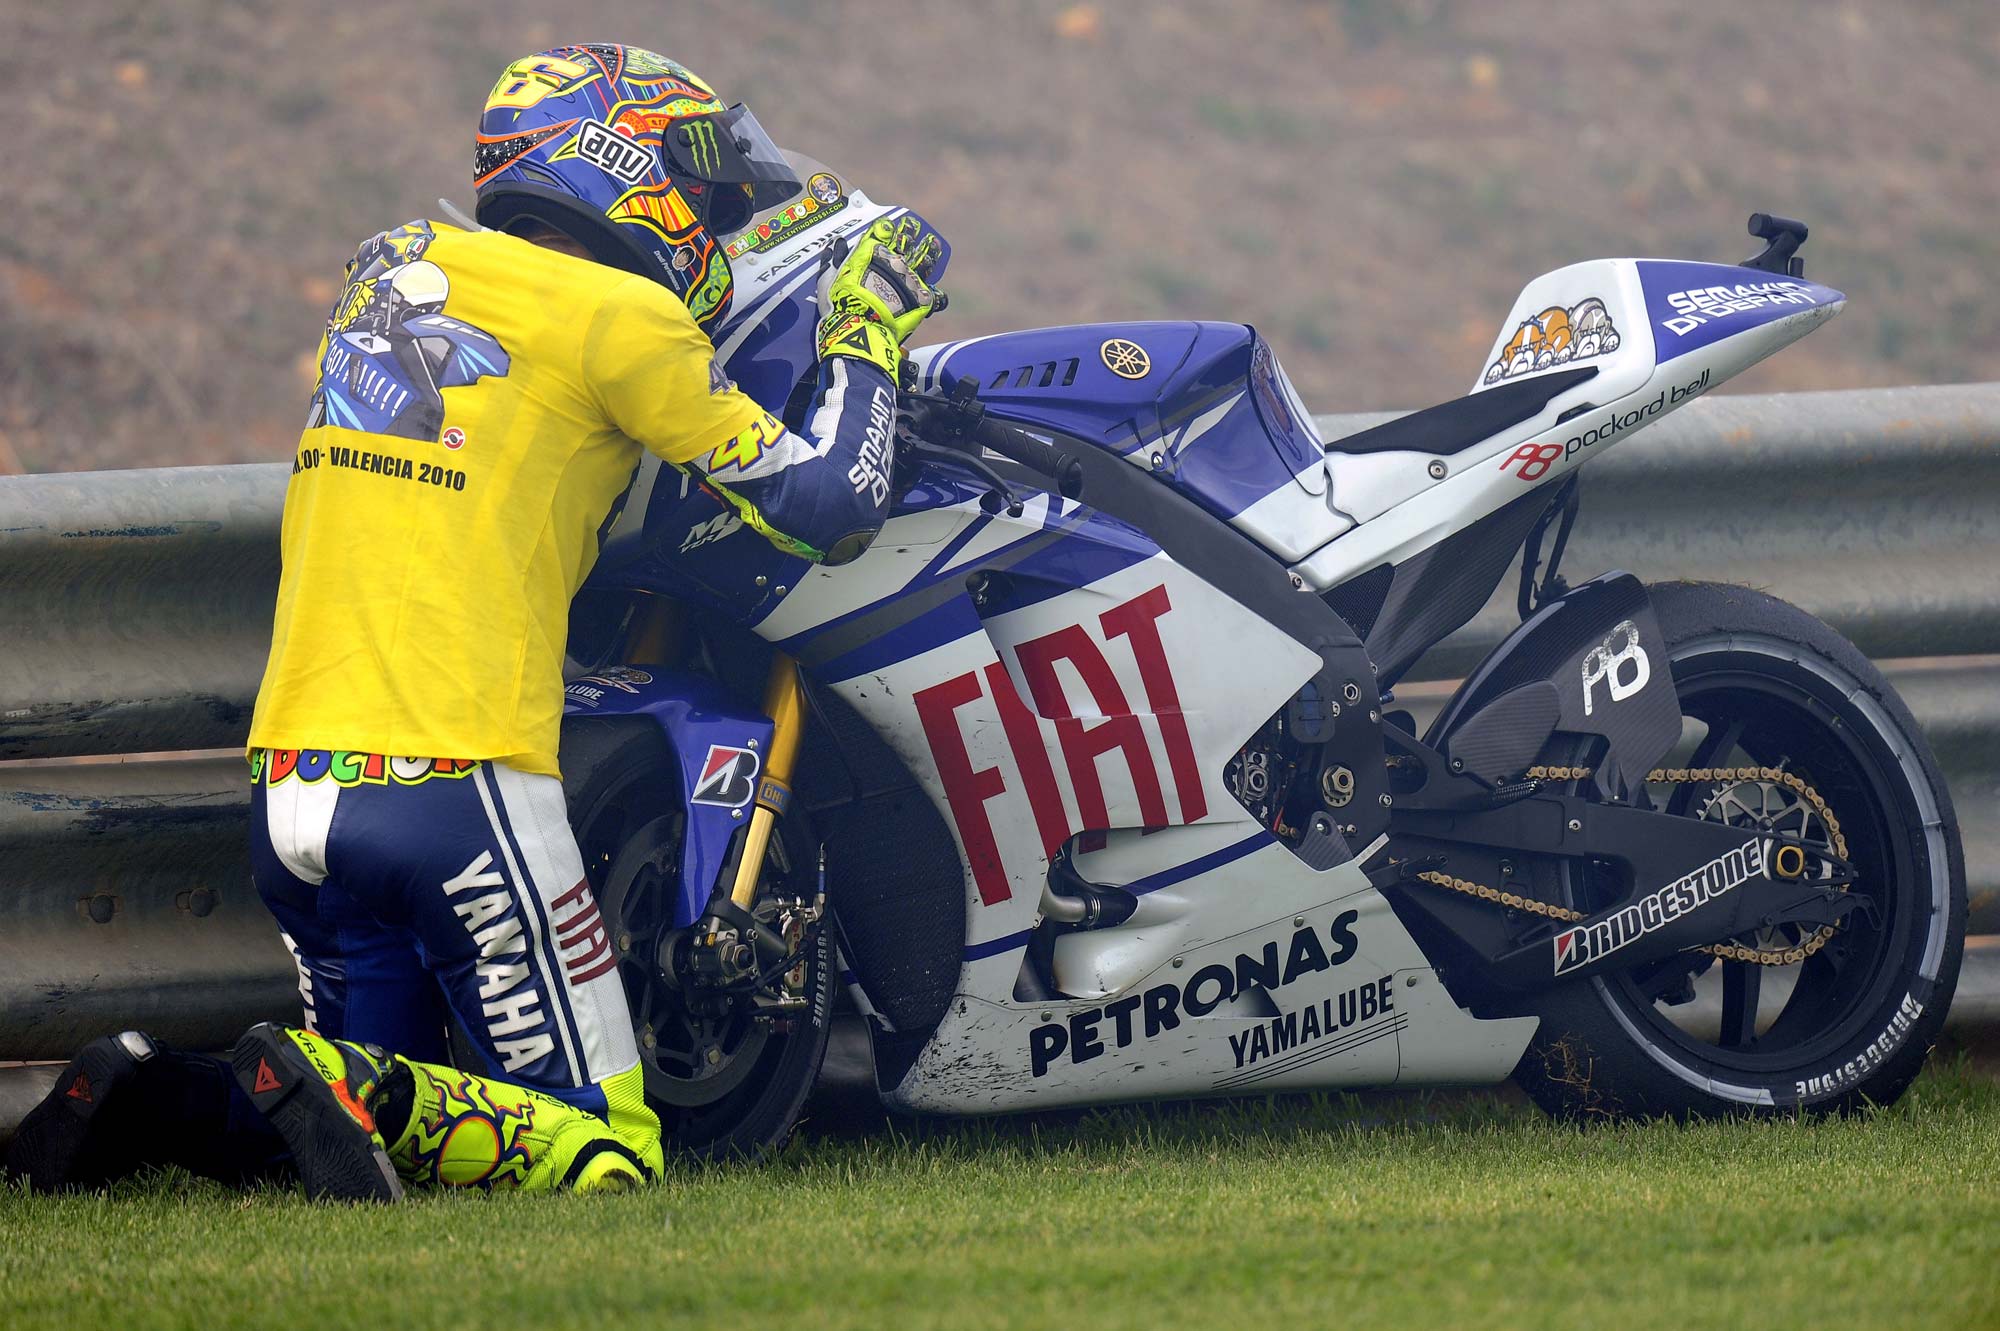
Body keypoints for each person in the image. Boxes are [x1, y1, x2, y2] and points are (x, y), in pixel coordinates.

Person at [4, 41, 940, 1201]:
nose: (711, 215)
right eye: (698, 183)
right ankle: (320, 1078)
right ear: (623, 163)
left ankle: (140, 1088)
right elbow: (830, 502)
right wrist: (865, 323)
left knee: (356, 1116)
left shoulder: (390, 268)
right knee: (606, 1151)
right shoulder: (622, 320)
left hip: (292, 779)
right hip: (456, 779)